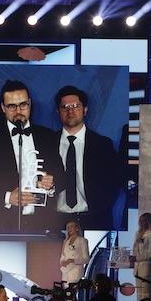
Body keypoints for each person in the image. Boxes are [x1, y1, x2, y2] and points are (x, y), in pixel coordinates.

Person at [0, 79, 61, 233]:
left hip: (43, 222)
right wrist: (7, 197)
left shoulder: (47, 136)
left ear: (30, 103)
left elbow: (61, 175)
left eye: (23, 105)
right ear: (3, 107)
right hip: (4, 223)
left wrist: (52, 184)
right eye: (12, 106)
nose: (18, 111)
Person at [53, 85, 122, 230]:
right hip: (55, 221)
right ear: (58, 111)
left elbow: (115, 182)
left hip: (95, 220)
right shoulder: (47, 143)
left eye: (76, 106)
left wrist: (101, 206)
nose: (70, 111)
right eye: (65, 107)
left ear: (85, 110)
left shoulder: (102, 145)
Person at [134, 212, 151, 301]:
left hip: (147, 268)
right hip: (137, 269)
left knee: (146, 295)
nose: (141, 223)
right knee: (139, 295)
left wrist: (137, 258)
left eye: (144, 221)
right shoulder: (138, 234)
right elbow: (136, 250)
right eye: (140, 221)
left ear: (148, 222)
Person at [60, 219, 89, 285]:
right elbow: (63, 256)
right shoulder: (66, 241)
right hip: (65, 273)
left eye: (71, 226)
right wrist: (62, 262)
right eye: (68, 227)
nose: (69, 229)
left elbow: (86, 259)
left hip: (76, 273)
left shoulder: (82, 241)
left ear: (76, 228)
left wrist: (73, 260)